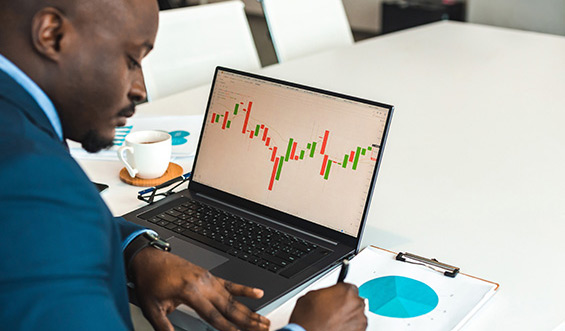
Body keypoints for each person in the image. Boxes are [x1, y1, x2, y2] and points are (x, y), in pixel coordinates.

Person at [0, 1, 368, 331]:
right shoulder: (35, 185)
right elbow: (45, 222)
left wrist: (136, 252)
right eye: (131, 59)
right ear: (52, 34)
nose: (140, 89)